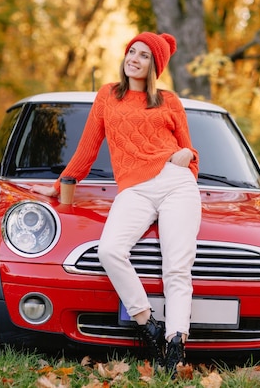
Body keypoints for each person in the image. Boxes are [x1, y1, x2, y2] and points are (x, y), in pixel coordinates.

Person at [32, 32, 201, 376]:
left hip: (175, 184)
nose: (134, 59)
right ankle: (147, 324)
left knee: (177, 268)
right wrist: (63, 182)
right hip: (135, 189)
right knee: (109, 249)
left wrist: (187, 155)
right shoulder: (108, 95)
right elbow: (87, 148)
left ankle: (175, 345)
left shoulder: (168, 100)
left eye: (143, 55)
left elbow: (191, 153)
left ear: (155, 65)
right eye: (131, 52)